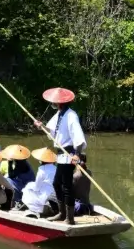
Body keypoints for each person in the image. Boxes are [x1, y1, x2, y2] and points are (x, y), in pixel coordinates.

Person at [34, 87, 86, 225]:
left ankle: (69, 218)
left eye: (55, 102)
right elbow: (52, 131)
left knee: (66, 186)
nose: (53, 103)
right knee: (57, 184)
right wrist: (41, 126)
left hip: (69, 154)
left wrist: (77, 154)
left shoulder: (71, 115)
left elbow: (78, 137)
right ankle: (62, 213)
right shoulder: (59, 114)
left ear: (59, 103)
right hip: (61, 155)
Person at [20, 147, 58, 217]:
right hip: (54, 194)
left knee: (27, 188)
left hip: (45, 195)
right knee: (30, 186)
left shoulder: (42, 169)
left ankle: (33, 208)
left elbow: (37, 187)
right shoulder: (56, 168)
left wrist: (29, 186)